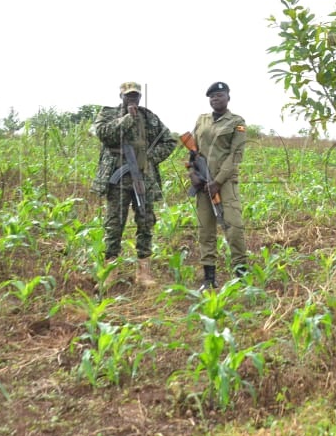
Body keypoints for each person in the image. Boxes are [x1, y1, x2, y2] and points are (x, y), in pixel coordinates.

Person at [90, 82, 177, 286]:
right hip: (117, 179)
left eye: (136, 96)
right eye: (128, 96)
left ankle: (143, 271)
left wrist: (150, 158)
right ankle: (110, 270)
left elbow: (169, 141)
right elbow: (104, 133)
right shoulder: (108, 114)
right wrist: (127, 118)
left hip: (143, 178)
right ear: (121, 96)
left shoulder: (149, 118)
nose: (133, 99)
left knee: (146, 222)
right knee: (114, 223)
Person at [189, 81, 248, 288]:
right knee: (206, 230)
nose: (215, 99)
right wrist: (193, 174)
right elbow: (193, 150)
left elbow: (235, 155)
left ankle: (241, 275)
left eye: (220, 95)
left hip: (225, 182)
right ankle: (209, 278)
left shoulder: (237, 122)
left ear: (228, 98)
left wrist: (218, 181)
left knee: (234, 227)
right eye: (212, 96)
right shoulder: (201, 120)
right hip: (203, 183)